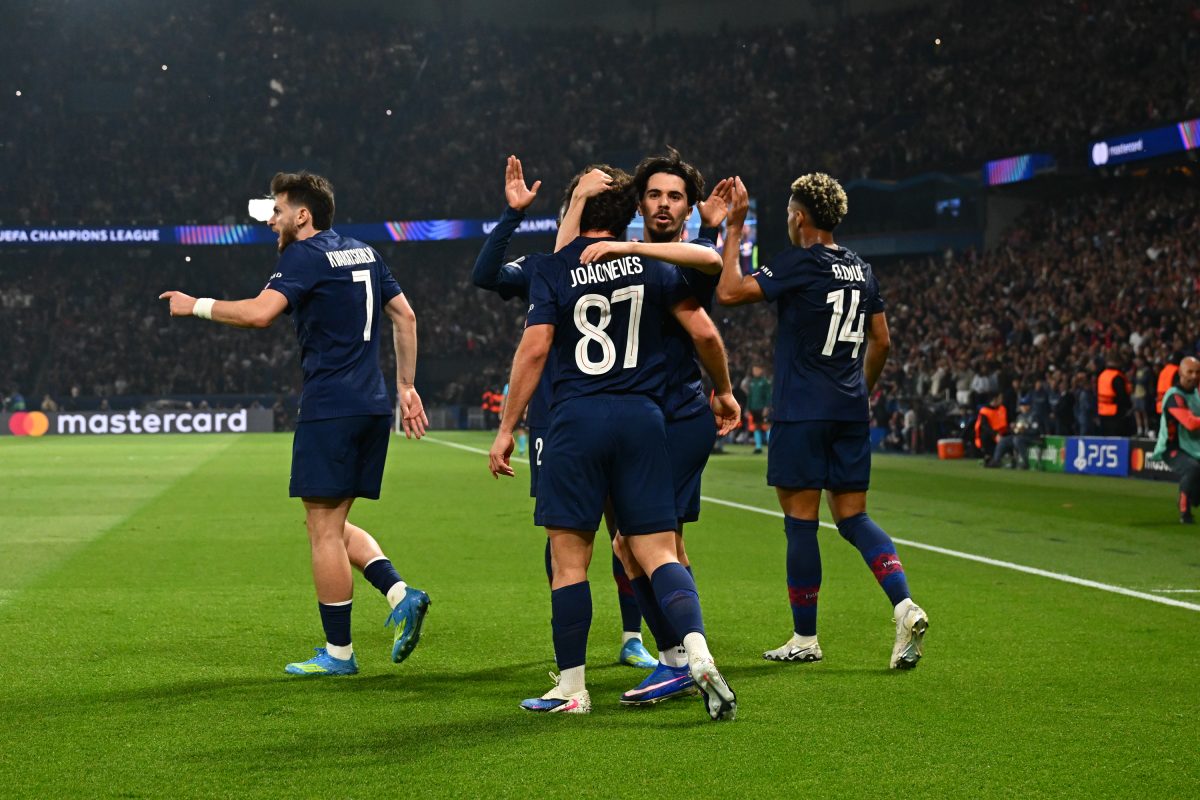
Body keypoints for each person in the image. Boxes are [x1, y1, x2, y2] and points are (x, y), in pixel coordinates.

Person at [488, 168, 741, 720]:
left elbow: (535, 349)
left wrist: (507, 427)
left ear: (576, 209)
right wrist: (723, 391)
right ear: (631, 212)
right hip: (645, 420)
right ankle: (695, 652)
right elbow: (704, 329)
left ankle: (572, 688)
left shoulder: (555, 266)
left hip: (576, 420)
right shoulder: (654, 263)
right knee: (657, 551)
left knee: (569, 559)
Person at [160, 171, 431, 676]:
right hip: (372, 405)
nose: (272, 221)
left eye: (278, 211)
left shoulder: (303, 256)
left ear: (303, 215)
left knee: (323, 531)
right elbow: (406, 317)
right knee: (330, 522)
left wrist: (194, 305)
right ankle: (400, 593)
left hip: (331, 406)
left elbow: (260, 314)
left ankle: (339, 654)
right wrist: (407, 386)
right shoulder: (365, 252)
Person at [716, 173, 929, 670]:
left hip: (801, 411)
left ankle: (805, 637)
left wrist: (735, 228)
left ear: (799, 217)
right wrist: (861, 392)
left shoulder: (798, 262)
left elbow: (728, 292)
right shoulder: (861, 268)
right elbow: (882, 341)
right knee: (853, 518)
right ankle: (904, 605)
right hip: (848, 411)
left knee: (801, 524)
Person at [556, 147, 734, 707]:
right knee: (655, 545)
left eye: (674, 196)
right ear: (639, 203)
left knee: (643, 544)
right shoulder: (635, 260)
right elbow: (562, 268)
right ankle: (681, 654)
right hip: (649, 419)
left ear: (688, 207)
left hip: (675, 417)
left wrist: (725, 391)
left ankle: (679, 657)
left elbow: (706, 302)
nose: (662, 203)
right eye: (653, 194)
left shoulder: (660, 258)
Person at [471, 156, 658, 670]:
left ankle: (631, 636)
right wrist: (512, 215)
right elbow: (485, 274)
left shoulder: (611, 264)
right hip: (555, 418)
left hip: (593, 413)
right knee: (566, 536)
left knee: (627, 532)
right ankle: (579, 639)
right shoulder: (545, 267)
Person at [1151, 356, 1200, 524]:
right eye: (1190, 372)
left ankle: (1194, 496)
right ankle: (1184, 510)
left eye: (1197, 372)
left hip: (1193, 447)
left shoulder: (1196, 394)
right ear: (1180, 373)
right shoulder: (1174, 396)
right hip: (1172, 447)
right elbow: (1190, 423)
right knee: (1192, 468)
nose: (1194, 376)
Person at [991, 395, 1041, 468]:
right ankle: (996, 461)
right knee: (1003, 440)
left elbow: (1036, 431)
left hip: (1032, 437)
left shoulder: (1034, 416)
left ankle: (1025, 462)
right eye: (1022, 405)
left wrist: (1024, 431)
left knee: (1017, 440)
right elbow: (1016, 431)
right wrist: (1013, 429)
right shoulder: (1020, 416)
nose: (1023, 407)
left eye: (1025, 405)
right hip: (1020, 437)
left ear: (1029, 406)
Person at [1097, 357, 1132, 437]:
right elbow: (1122, 395)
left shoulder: (1102, 374)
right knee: (1116, 436)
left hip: (1102, 410)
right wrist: (1128, 406)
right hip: (1115, 411)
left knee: (1106, 436)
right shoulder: (1117, 376)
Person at [743, 364, 772, 453]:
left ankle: (771, 446)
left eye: (757, 370)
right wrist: (747, 408)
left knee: (766, 426)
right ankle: (758, 447)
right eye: (754, 370)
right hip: (754, 408)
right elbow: (749, 396)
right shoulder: (752, 382)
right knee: (756, 427)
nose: (755, 372)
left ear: (761, 370)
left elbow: (768, 396)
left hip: (762, 408)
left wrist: (767, 407)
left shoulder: (765, 382)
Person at [976, 393, 1010, 465]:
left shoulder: (1003, 408)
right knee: (985, 435)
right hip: (991, 434)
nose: (1001, 400)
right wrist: (995, 434)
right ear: (995, 399)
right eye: (1000, 398)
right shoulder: (985, 411)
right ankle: (989, 456)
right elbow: (985, 426)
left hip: (1002, 432)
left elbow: (1008, 421)